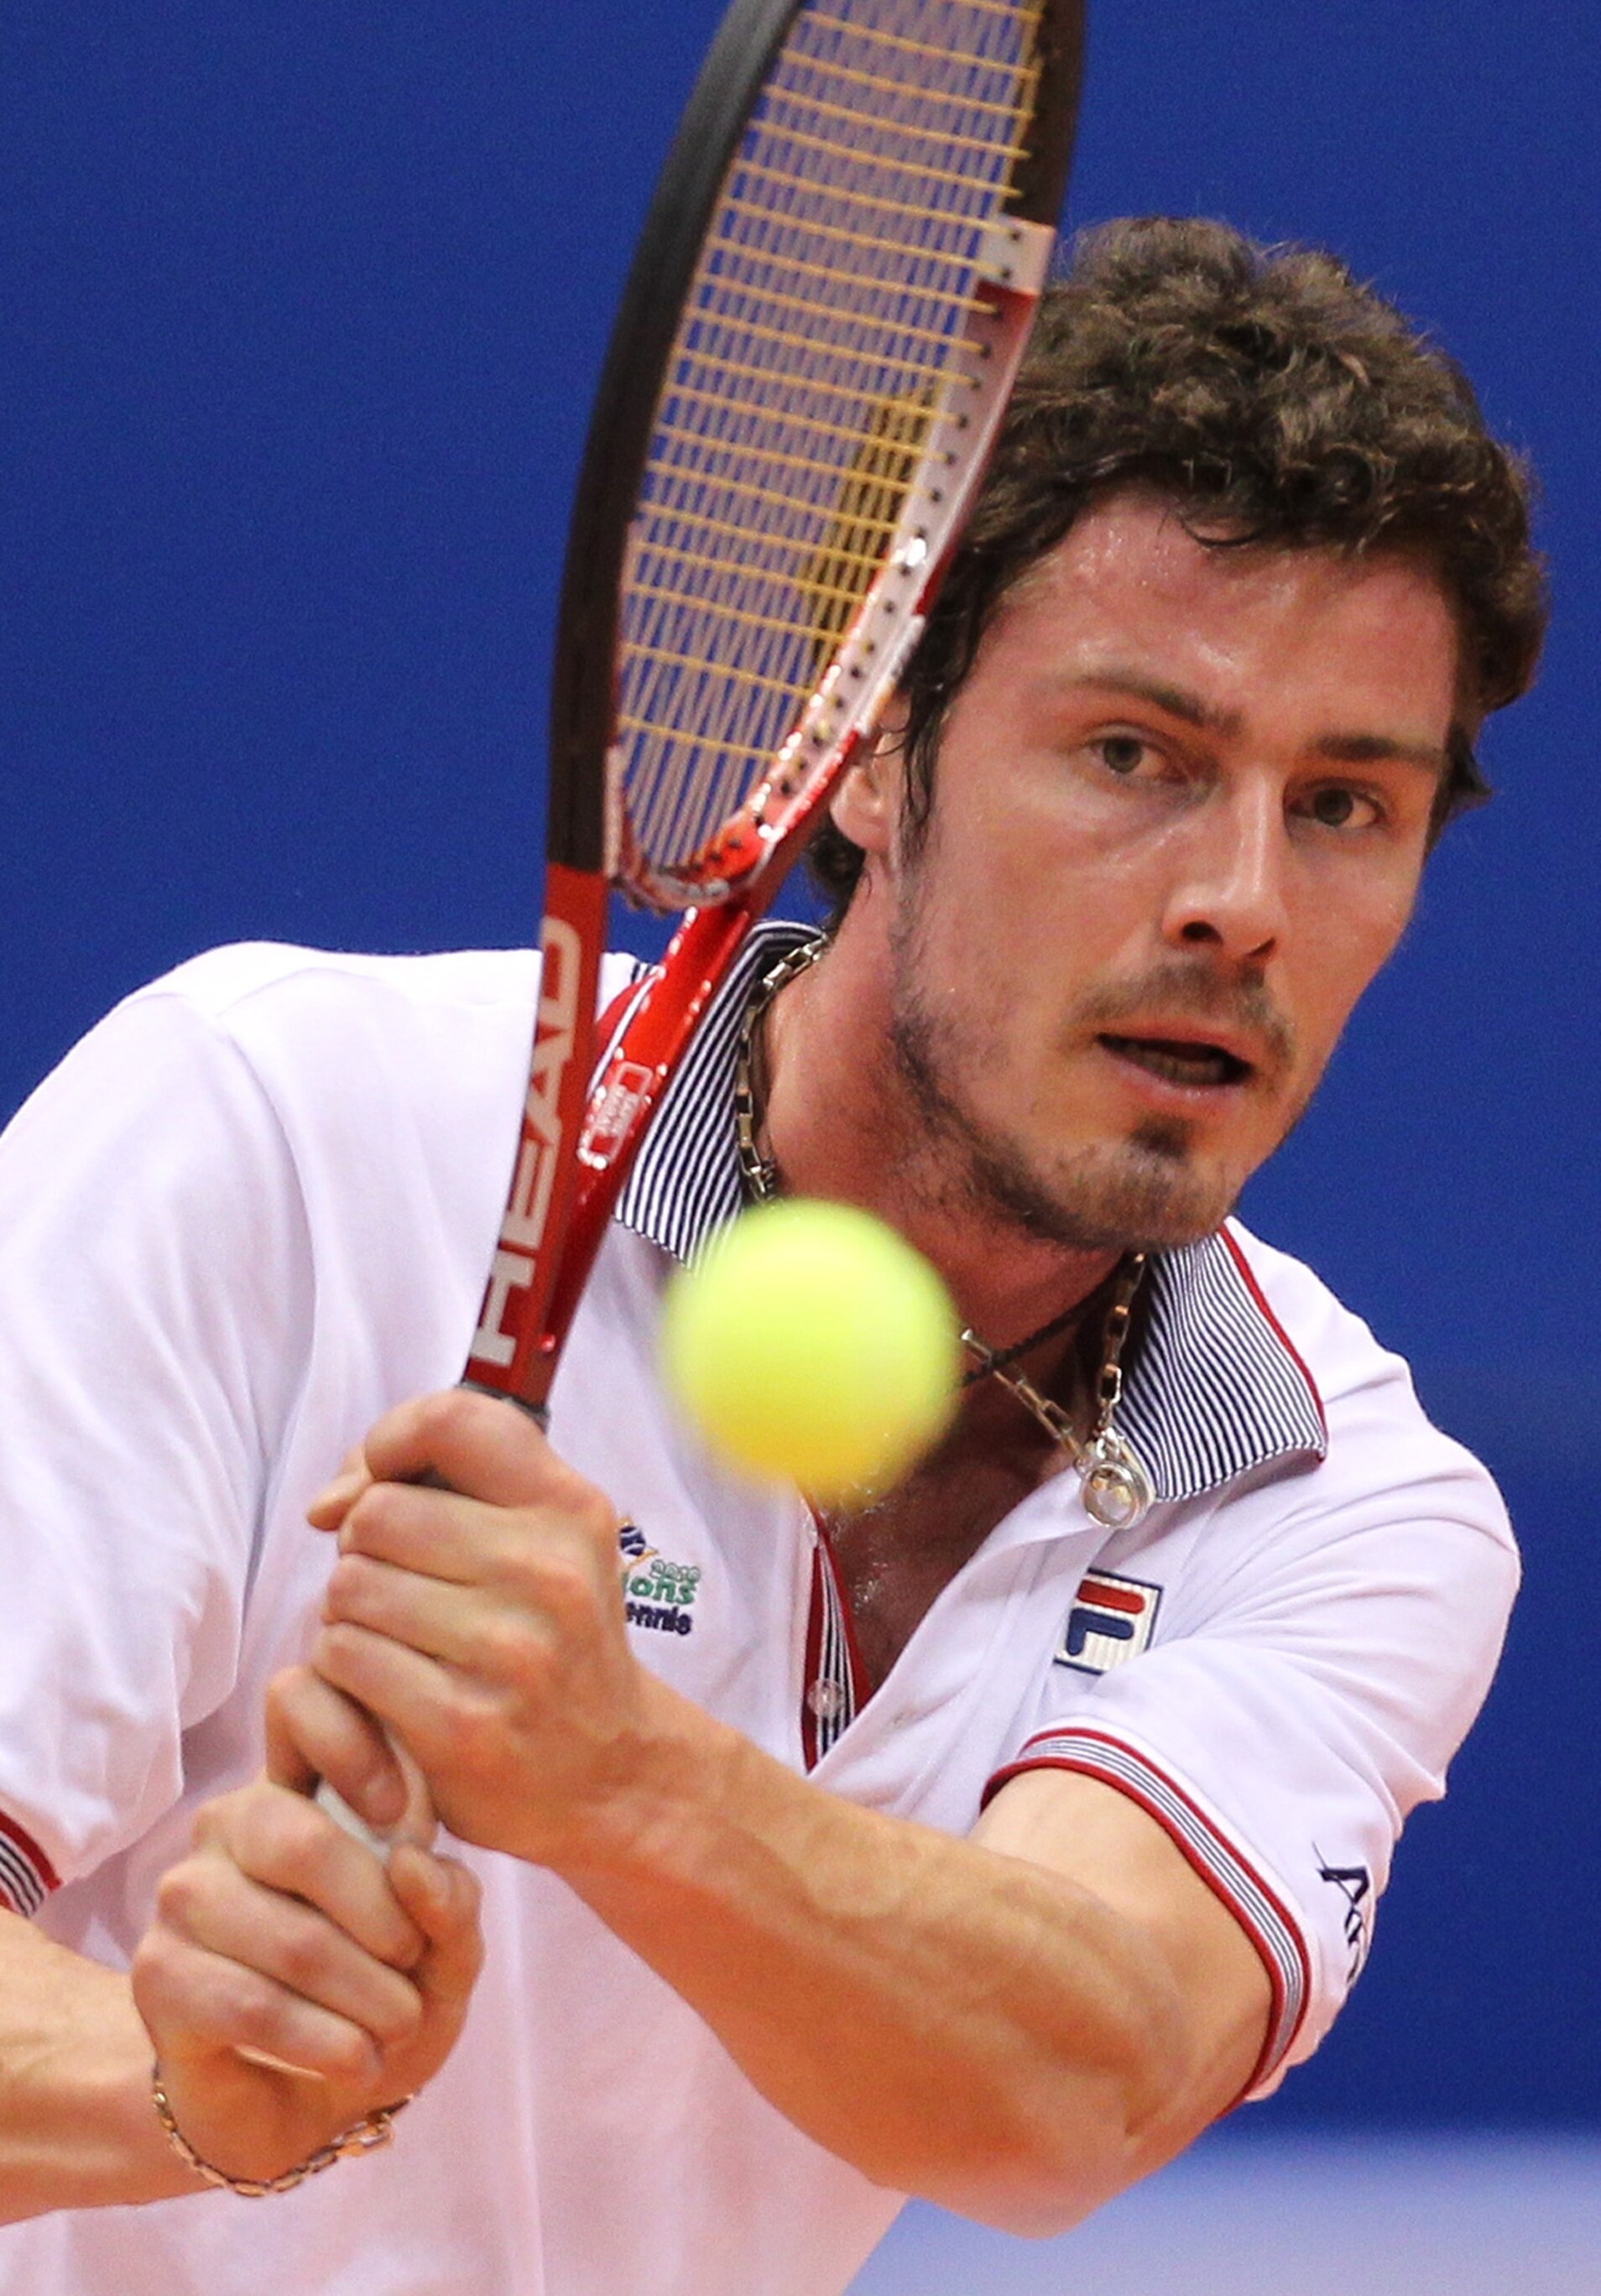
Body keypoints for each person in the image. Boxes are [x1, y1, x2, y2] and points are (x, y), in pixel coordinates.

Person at [0, 219, 1546, 2296]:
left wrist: (619, 1771)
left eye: (1347, 806)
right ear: (873, 749)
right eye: (1134, 757)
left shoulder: (1342, 1493)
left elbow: (1080, 2084)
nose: (1242, 903)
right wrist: (183, 2086)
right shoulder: (279, 1133)